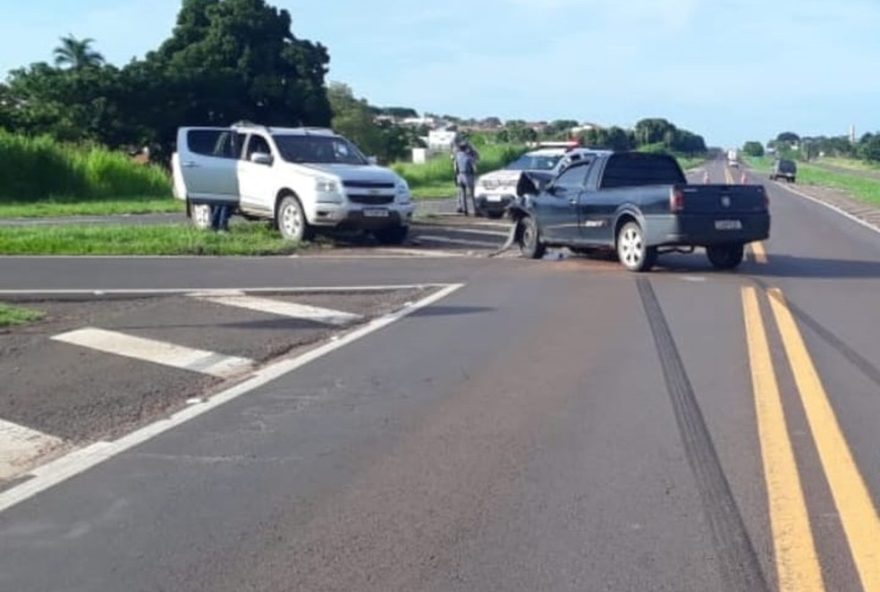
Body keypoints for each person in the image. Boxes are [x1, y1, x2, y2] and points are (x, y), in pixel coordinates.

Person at [453, 142, 477, 215]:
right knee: (472, 194)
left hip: (460, 175)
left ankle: (465, 210)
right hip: (468, 175)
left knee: (462, 194)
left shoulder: (457, 156)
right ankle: (475, 210)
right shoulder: (469, 157)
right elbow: (474, 168)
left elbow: (455, 168)